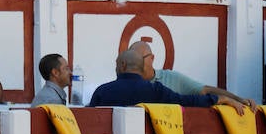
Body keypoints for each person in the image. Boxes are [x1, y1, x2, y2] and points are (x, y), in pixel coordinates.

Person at [89, 43, 240, 109]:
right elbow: (188, 101)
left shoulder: (102, 91)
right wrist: (219, 99)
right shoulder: (156, 91)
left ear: (122, 66)